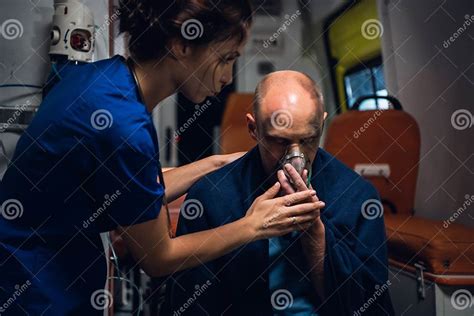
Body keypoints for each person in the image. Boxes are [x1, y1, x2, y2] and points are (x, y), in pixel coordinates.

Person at [0, 2, 320, 315]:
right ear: (181, 45)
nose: (227, 76)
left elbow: (138, 189)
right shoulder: (123, 126)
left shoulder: (105, 79)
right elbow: (158, 258)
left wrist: (218, 163)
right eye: (226, 59)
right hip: (32, 285)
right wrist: (255, 225)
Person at [164, 71, 394, 315]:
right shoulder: (210, 196)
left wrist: (316, 236)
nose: (296, 159)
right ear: (253, 129)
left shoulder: (357, 197)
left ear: (322, 125)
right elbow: (190, 304)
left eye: (308, 140)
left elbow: (372, 306)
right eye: (280, 142)